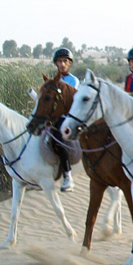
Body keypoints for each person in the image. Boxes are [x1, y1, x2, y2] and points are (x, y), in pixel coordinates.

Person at [52, 47, 79, 191]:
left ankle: (68, 176)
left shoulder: (72, 80)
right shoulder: (54, 79)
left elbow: (65, 97)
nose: (62, 64)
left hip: (67, 118)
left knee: (59, 139)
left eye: (65, 61)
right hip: (54, 116)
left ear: (69, 63)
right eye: (59, 61)